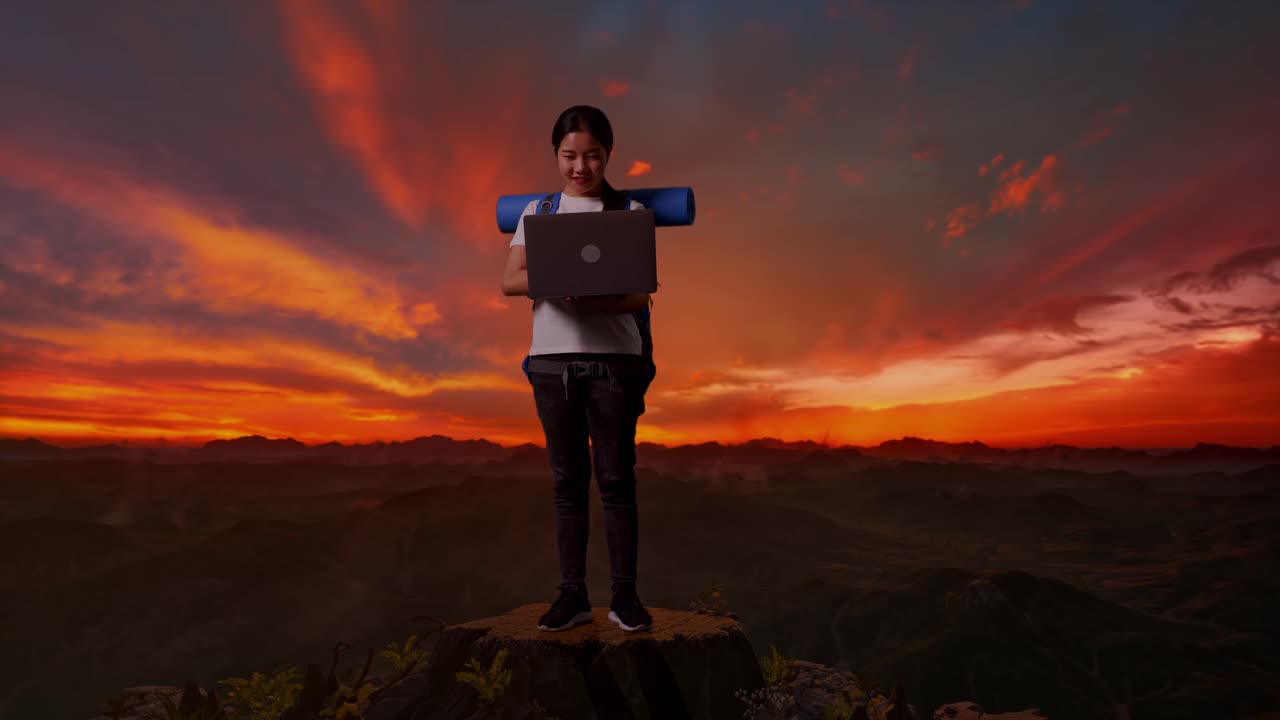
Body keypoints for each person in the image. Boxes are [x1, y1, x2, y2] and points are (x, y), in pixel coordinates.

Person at [500, 105, 655, 633]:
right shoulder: (538, 211)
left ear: (608, 154)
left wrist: (595, 295)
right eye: (569, 155)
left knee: (616, 481)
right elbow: (510, 280)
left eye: (592, 155)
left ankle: (625, 598)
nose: (580, 167)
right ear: (556, 155)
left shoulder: (630, 211)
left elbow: (641, 293)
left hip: (615, 361)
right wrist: (561, 280)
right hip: (552, 362)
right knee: (567, 484)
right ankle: (573, 597)